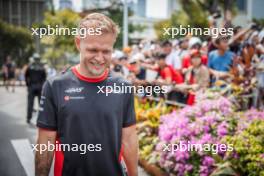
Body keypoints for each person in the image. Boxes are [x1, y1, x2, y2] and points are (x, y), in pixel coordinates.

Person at [35, 13, 138, 176]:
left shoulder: (123, 87)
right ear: (78, 43)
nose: (99, 58)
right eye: (93, 50)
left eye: (106, 51)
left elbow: (129, 138)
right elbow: (45, 142)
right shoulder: (55, 85)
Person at [25, 53, 46, 124]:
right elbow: (44, 78)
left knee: (30, 103)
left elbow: (26, 76)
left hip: (32, 86)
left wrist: (28, 85)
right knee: (41, 104)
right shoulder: (42, 67)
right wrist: (42, 86)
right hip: (40, 87)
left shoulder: (29, 66)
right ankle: (41, 119)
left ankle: (28, 118)